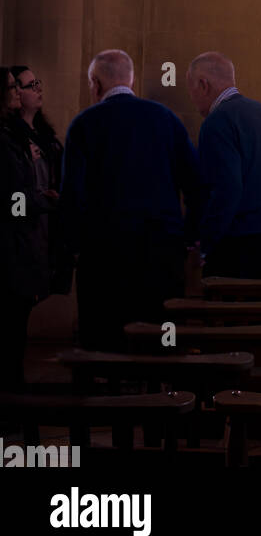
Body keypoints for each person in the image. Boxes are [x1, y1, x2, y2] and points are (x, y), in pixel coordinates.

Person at [59, 49, 200, 350]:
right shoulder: (166, 119)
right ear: (131, 80)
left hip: (104, 252)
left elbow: (73, 194)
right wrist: (188, 237)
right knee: (160, 336)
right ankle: (165, 395)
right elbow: (194, 184)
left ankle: (105, 393)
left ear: (95, 83)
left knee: (105, 337)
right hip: (161, 251)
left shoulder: (84, 124)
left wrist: (72, 246)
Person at [186, 52, 261, 278]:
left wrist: (206, 244)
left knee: (229, 313)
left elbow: (227, 190)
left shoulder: (216, 122)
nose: (192, 100)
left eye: (191, 90)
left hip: (238, 246)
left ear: (203, 85)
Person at [0, 67, 56, 390]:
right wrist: (40, 203)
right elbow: (15, 197)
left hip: (28, 240)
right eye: (15, 87)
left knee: (15, 332)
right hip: (14, 243)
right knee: (10, 332)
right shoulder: (8, 139)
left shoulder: (29, 136)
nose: (20, 92)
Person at [10, 65, 71, 295]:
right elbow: (15, 199)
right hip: (27, 229)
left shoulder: (47, 137)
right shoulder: (10, 137)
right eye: (30, 85)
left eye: (38, 83)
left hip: (48, 227)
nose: (38, 89)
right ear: (15, 93)